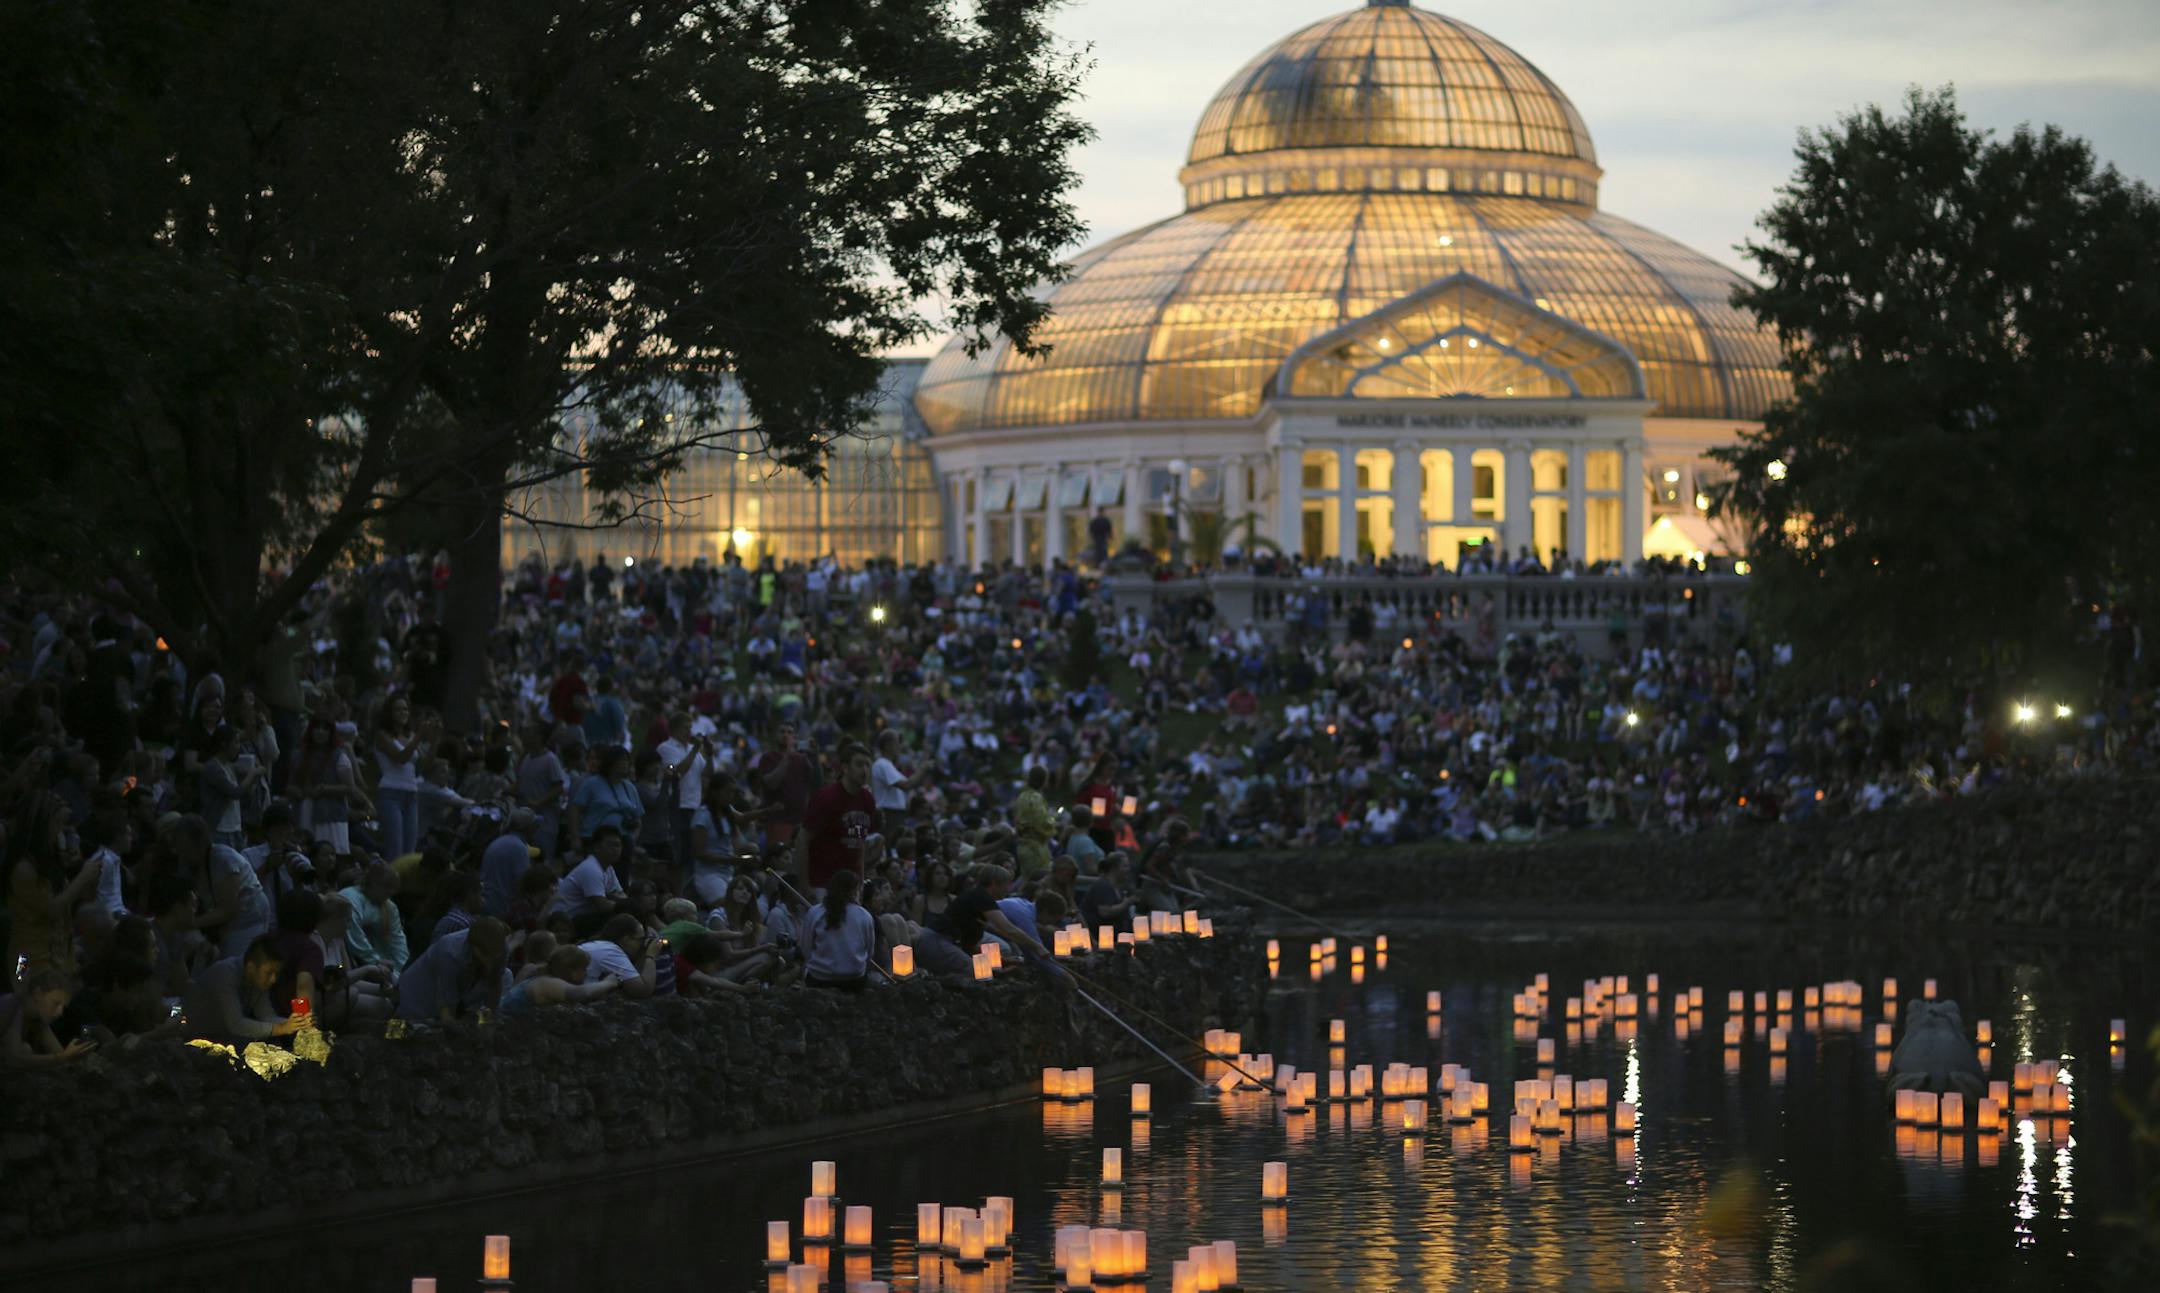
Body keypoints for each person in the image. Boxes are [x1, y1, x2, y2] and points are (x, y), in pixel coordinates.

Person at [7, 789, 98, 977]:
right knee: (25, 998)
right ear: (43, 824)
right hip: (26, 956)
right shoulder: (23, 868)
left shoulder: (51, 860)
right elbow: (51, 910)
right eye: (57, 824)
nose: (60, 831)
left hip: (58, 950)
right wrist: (82, 877)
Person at [915, 864, 1050, 976]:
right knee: (978, 972)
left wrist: (1002, 960)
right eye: (1006, 885)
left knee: (984, 970)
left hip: (940, 942)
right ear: (994, 884)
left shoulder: (978, 898)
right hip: (936, 940)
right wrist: (1037, 946)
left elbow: (968, 944)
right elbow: (1008, 928)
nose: (1008, 890)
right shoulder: (981, 896)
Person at [184, 936, 311, 1042]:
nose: (274, 979)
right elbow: (236, 1025)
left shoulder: (257, 979)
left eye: (276, 974)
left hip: (222, 1037)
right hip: (197, 1038)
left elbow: (266, 1016)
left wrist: (296, 1023)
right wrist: (281, 1028)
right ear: (251, 968)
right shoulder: (224, 974)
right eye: (269, 973)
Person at [394, 918, 512, 1022]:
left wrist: (485, 1023)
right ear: (473, 947)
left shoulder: (501, 948)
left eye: (494, 956)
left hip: (451, 995)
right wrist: (451, 1027)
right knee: (400, 1034)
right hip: (414, 993)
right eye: (486, 955)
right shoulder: (449, 952)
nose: (490, 963)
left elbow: (493, 988)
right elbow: (446, 1006)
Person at [798, 744, 877, 890]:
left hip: (851, 886)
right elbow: (802, 840)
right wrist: (804, 886)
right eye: (859, 764)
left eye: (867, 765)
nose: (865, 770)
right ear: (845, 768)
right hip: (822, 882)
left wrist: (860, 883)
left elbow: (860, 846)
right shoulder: (827, 797)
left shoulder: (868, 800)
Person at [372, 695, 433, 860]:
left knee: (409, 852)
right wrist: (419, 736)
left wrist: (435, 739)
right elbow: (400, 757)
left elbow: (425, 766)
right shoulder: (382, 735)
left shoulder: (411, 736)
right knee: (395, 851)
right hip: (390, 794)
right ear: (389, 713)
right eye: (398, 709)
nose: (402, 712)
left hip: (411, 795)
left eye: (405, 709)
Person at [798, 869, 875, 991]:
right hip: (854, 979)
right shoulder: (864, 915)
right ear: (855, 891)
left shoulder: (815, 912)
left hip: (820, 977)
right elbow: (869, 951)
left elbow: (805, 946)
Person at [1, 970, 97, 1066]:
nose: (60, 1012)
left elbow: (57, 1051)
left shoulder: (37, 1016)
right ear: (37, 994)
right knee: (25, 1049)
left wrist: (73, 1055)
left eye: (63, 1007)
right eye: (56, 1004)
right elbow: (13, 1059)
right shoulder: (13, 1005)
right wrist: (61, 1058)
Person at [501, 945, 621, 1015]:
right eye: (583, 969)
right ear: (571, 970)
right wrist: (608, 983)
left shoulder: (545, 978)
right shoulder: (546, 982)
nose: (586, 973)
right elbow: (578, 993)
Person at [339, 860, 411, 974]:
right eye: (387, 887)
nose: (391, 892)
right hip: (351, 957)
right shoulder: (349, 897)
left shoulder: (389, 906)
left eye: (392, 889)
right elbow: (354, 935)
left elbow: (397, 939)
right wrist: (374, 961)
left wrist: (405, 968)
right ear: (373, 883)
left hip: (383, 958)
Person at [551, 825, 628, 927]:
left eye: (618, 845)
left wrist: (628, 904)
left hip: (580, 918)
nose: (615, 849)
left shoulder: (608, 868)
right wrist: (627, 905)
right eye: (610, 845)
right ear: (597, 847)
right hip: (564, 921)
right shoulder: (591, 868)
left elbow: (619, 895)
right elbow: (602, 905)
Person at [753, 721, 815, 849]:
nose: (786, 735)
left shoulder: (802, 759)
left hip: (801, 822)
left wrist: (815, 755)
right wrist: (787, 756)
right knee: (779, 861)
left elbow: (815, 783)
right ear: (775, 736)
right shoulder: (767, 758)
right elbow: (772, 784)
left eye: (790, 732)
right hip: (778, 821)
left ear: (795, 737)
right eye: (782, 731)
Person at [577, 913, 661, 999]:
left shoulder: (602, 946)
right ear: (626, 939)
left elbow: (636, 979)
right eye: (641, 940)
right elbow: (643, 990)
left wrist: (642, 954)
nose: (642, 944)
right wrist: (650, 956)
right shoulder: (609, 951)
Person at [479, 809, 538, 917]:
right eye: (535, 825)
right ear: (528, 828)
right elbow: (522, 885)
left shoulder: (499, 841)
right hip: (500, 910)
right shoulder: (519, 847)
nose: (536, 829)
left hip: (486, 904)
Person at [869, 730, 922, 837]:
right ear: (887, 745)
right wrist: (923, 769)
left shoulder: (889, 765)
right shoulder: (882, 764)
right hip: (889, 814)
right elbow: (906, 785)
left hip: (895, 813)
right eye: (897, 743)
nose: (900, 746)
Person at [1011, 765, 1055, 882]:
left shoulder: (1022, 795)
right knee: (1036, 882)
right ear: (1044, 780)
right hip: (1035, 849)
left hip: (1023, 846)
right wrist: (1053, 821)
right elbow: (1041, 824)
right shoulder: (1036, 798)